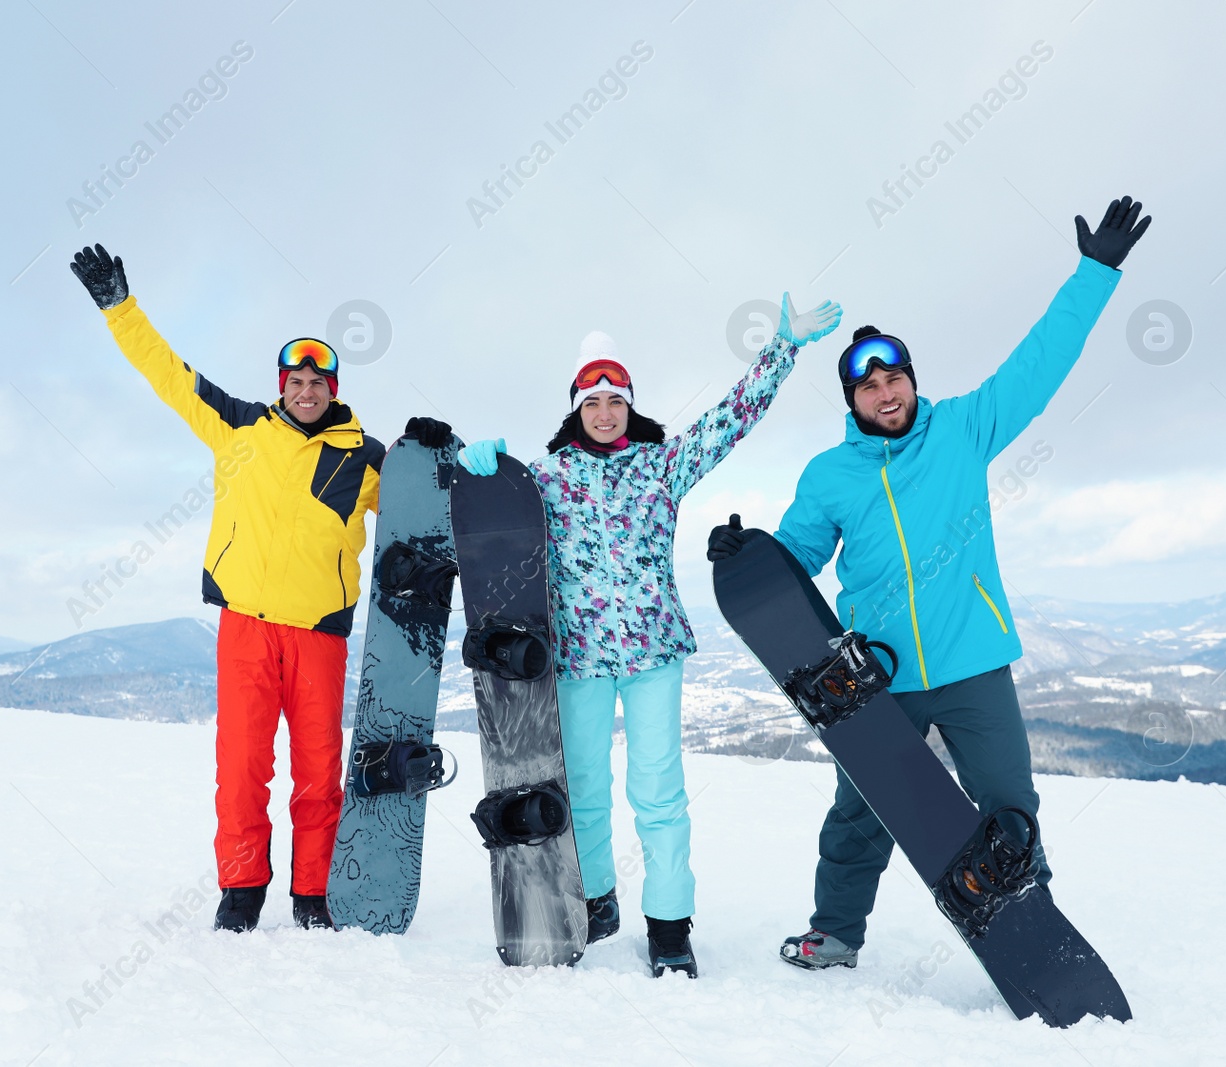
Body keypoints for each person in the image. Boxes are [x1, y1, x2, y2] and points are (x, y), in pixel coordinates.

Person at [709, 196, 1151, 971]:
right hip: (879, 680)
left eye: (895, 376)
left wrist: (1094, 272)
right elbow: (797, 559)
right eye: (869, 384)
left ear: (912, 380)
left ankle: (1034, 938)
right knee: (860, 817)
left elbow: (1039, 361)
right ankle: (836, 933)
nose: (887, 392)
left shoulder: (964, 429)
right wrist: (747, 553)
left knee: (1010, 811)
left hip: (974, 660)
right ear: (851, 401)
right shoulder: (830, 474)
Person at [68, 244, 452, 933]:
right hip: (245, 629)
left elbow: (422, 502)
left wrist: (432, 450)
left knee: (317, 771)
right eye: (296, 381)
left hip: (318, 638)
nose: (307, 392)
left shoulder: (365, 457)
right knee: (242, 768)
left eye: (319, 382)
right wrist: (119, 308)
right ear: (282, 385)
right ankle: (241, 889)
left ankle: (313, 894)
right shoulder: (240, 427)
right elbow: (169, 374)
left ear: (334, 388)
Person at [457, 292, 843, 976]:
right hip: (576, 658)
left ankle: (669, 926)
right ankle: (597, 898)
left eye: (616, 399)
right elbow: (488, 509)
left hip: (653, 652)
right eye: (592, 400)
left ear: (630, 404)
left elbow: (732, 419)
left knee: (659, 789)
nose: (605, 411)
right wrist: (476, 466)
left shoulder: (662, 464)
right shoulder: (546, 480)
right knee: (585, 788)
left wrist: (781, 349)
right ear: (575, 408)